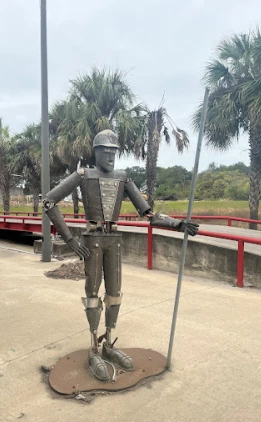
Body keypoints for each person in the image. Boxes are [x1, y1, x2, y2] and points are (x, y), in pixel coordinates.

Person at [44, 129, 199, 382]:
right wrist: (71, 239)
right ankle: (94, 347)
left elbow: (148, 214)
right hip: (92, 241)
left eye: (113, 151)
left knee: (115, 294)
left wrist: (178, 225)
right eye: (105, 150)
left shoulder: (124, 179)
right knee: (92, 293)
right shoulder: (83, 175)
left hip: (113, 241)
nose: (110, 156)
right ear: (95, 152)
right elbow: (49, 201)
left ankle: (109, 343)